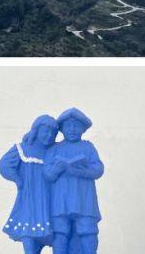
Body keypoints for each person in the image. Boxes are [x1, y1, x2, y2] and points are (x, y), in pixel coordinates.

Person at [43, 108, 103, 254]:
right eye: (68, 125)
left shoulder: (88, 148)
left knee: (88, 231)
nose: (72, 129)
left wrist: (85, 172)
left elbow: (99, 168)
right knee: (60, 233)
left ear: (83, 129)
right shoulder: (54, 148)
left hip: (84, 201)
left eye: (76, 126)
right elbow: (47, 174)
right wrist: (55, 170)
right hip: (60, 202)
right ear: (62, 128)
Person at [0, 115, 58, 253]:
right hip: (29, 196)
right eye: (46, 131)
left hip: (50, 197)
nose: (49, 135)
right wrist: (18, 179)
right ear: (36, 130)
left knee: (54, 230)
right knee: (29, 228)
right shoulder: (23, 149)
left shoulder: (54, 151)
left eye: (53, 133)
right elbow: (4, 164)